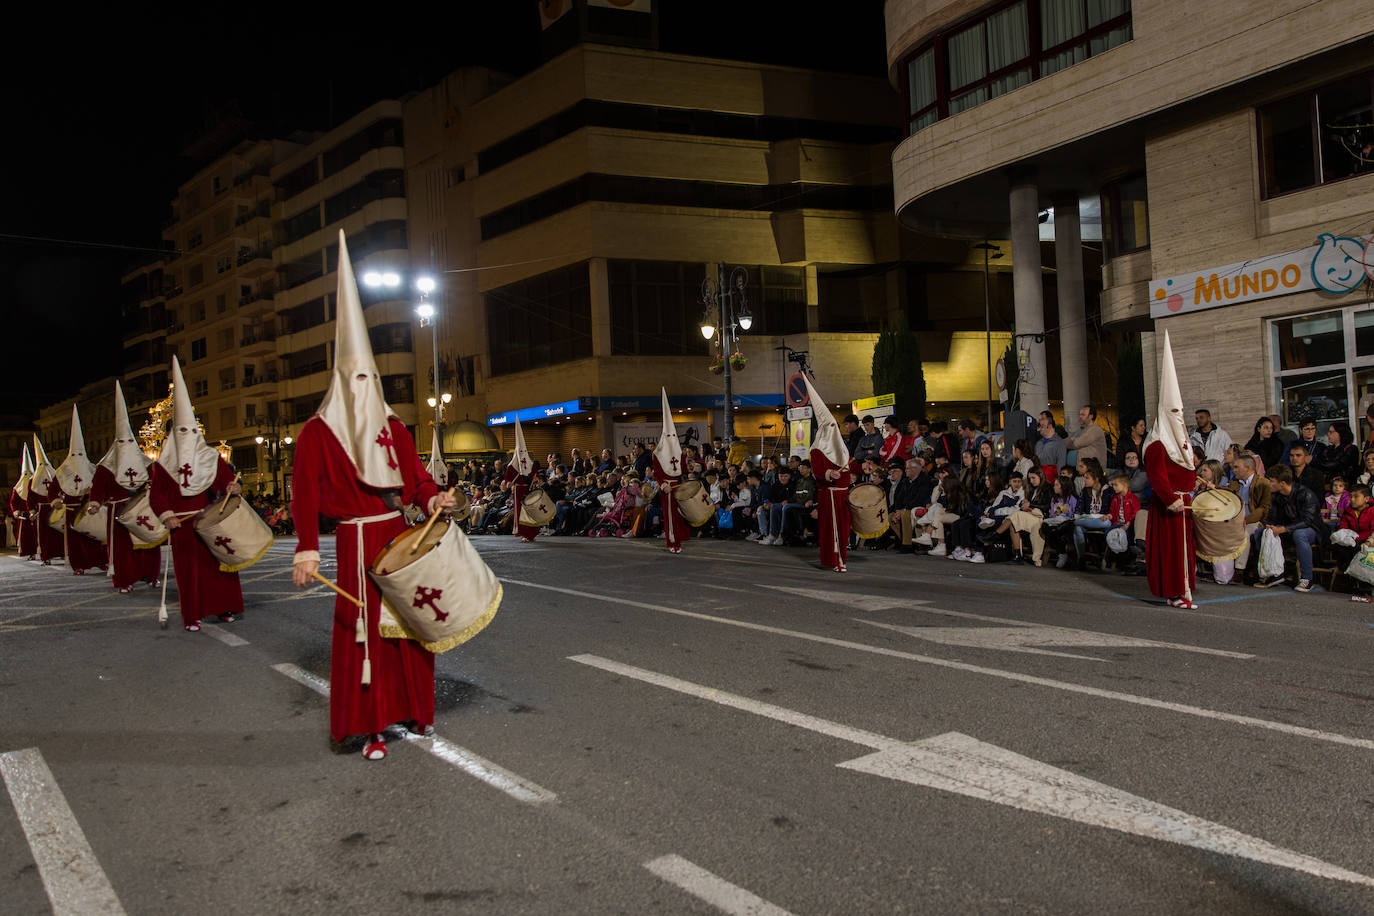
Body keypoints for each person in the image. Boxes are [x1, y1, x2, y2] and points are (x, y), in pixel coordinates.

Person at [290, 232, 467, 760]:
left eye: (371, 377)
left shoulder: (393, 422)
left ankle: (417, 712)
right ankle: (369, 726)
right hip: (354, 541)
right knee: (364, 632)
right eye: (356, 377)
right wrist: (305, 547)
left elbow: (414, 478)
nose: (365, 385)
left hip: (397, 534)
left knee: (411, 624)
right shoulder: (317, 433)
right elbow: (302, 495)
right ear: (342, 379)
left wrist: (435, 498)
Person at [150, 356, 244, 631]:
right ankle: (193, 615)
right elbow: (157, 496)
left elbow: (227, 483)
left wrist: (234, 488)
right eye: (181, 432)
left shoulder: (211, 457)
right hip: (182, 526)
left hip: (210, 521)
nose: (187, 436)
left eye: (190, 431)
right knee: (189, 574)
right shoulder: (163, 465)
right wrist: (167, 516)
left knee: (221, 564)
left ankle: (224, 607)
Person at [88, 381, 161, 593]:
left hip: (143, 507)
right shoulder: (106, 466)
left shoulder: (148, 463)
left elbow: (158, 483)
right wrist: (94, 502)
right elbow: (98, 487)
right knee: (122, 549)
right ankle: (124, 579)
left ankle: (150, 574)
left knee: (147, 542)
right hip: (117, 511)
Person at [1143, 332, 1199, 608]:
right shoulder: (1156, 444)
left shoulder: (1179, 440)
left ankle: (1184, 589)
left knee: (1184, 550)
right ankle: (1175, 591)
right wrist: (1171, 499)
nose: (1179, 416)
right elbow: (1158, 476)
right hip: (1171, 504)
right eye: (1174, 412)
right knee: (1173, 552)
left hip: (1183, 501)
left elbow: (1184, 466)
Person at [1250, 465, 1324, 592]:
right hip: (1286, 529)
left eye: (1272, 481)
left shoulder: (1306, 494)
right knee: (1260, 533)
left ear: (1282, 483)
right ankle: (1273, 573)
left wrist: (1284, 529)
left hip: (1311, 529)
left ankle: (1307, 579)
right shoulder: (1276, 496)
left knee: (1299, 534)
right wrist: (1270, 526)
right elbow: (1272, 517)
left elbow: (1308, 520)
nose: (1269, 484)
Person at [806, 381, 852, 573]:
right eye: (829, 426)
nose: (833, 429)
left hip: (843, 495)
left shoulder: (842, 448)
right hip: (829, 496)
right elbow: (817, 472)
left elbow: (848, 467)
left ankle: (842, 558)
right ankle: (834, 560)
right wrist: (828, 474)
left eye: (835, 426)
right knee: (831, 530)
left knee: (843, 529)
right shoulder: (817, 450)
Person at [53, 406, 105, 575]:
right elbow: (54, 489)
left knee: (93, 537)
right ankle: (78, 565)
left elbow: (100, 485)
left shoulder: (92, 468)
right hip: (69, 510)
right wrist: (56, 500)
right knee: (75, 540)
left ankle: (100, 561)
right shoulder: (62, 471)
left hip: (88, 508)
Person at [651, 389, 688, 555]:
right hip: (667, 490)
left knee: (680, 515)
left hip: (679, 487)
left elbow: (682, 470)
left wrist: (688, 469)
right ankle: (672, 541)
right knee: (670, 517)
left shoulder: (679, 453)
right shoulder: (657, 454)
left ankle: (681, 538)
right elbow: (657, 473)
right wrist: (662, 484)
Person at [1225, 455, 1270, 580]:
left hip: (1254, 521)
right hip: (1235, 519)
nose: (1233, 470)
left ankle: (1239, 569)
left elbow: (1263, 508)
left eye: (1236, 467)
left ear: (1248, 468)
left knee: (1243, 533)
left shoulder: (1262, 483)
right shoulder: (1234, 484)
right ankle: (1220, 569)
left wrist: (1245, 520)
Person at [28, 435, 63, 566]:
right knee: (44, 535)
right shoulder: (33, 480)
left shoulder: (55, 475)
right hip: (41, 509)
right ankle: (46, 555)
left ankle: (59, 553)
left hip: (56, 507)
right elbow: (31, 496)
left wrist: (60, 500)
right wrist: (32, 510)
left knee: (57, 533)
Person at [504, 420, 539, 543]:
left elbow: (536, 476)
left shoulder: (530, 463)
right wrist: (509, 483)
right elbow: (507, 480)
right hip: (518, 491)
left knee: (529, 512)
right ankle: (524, 532)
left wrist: (535, 479)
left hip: (528, 490)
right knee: (520, 512)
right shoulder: (512, 466)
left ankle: (531, 533)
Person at [10, 443, 35, 560]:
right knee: (25, 536)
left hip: (35, 515)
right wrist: (15, 511)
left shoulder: (36, 485)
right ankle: (29, 552)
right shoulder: (17, 488)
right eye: (26, 474)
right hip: (23, 516)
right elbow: (13, 502)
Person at [1315, 421, 1358, 486]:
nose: (1328, 434)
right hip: (1328, 484)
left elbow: (1339, 465)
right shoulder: (1327, 449)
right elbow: (1319, 463)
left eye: (1331, 432)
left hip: (1345, 485)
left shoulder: (1351, 448)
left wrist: (1323, 465)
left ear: (1341, 433)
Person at [1066, 405, 1108, 470]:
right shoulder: (1080, 430)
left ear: (1091, 416)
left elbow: (1077, 443)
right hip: (1077, 470)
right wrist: (1072, 439)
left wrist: (1073, 440)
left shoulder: (1095, 429)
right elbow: (1065, 443)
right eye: (1080, 414)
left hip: (1092, 472)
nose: (1080, 417)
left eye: (1083, 415)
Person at [1036, 411, 1067, 479]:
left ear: (1050, 424)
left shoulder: (1059, 443)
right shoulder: (1038, 443)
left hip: (1052, 481)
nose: (1039, 422)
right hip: (1039, 480)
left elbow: (1061, 464)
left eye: (1042, 419)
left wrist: (1058, 481)